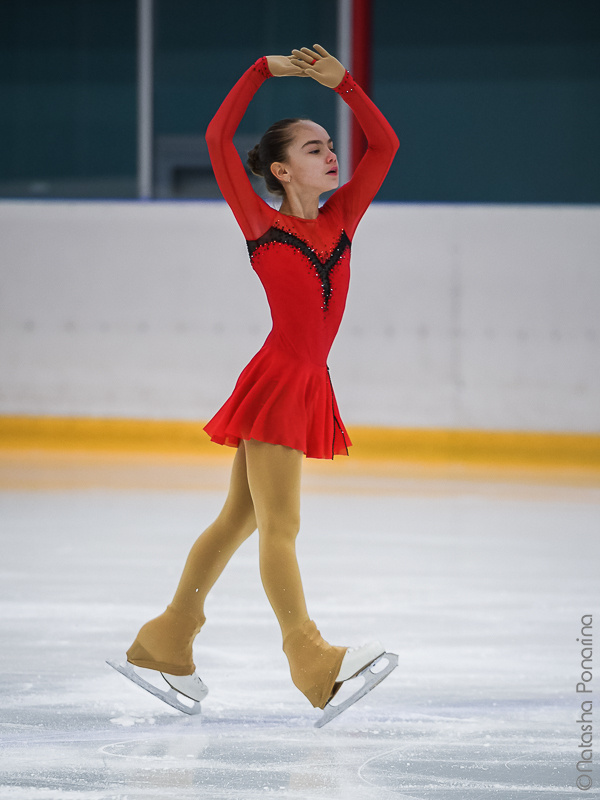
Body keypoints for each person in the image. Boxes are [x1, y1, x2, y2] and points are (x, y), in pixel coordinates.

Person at [116, 44, 399, 721]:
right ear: (280, 169)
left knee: (239, 518)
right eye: (313, 148)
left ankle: (168, 637)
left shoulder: (341, 222)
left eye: (331, 145)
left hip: (306, 382)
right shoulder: (260, 225)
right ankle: (309, 657)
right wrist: (259, 71)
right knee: (281, 526)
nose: (332, 154)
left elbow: (385, 146)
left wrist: (347, 86)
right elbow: (218, 137)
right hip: (278, 380)